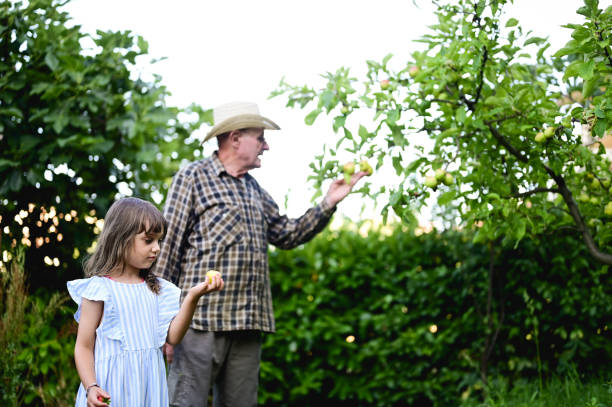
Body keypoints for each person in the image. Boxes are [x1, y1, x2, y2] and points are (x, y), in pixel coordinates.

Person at [156, 101, 367, 407]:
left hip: (248, 323)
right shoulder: (192, 178)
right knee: (184, 403)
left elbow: (287, 233)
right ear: (235, 138)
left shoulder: (255, 191)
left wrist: (329, 202)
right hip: (199, 322)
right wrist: (162, 323)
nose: (266, 146)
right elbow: (169, 246)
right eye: (260, 137)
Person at [67, 197, 224, 406]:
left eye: (159, 241)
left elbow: (173, 337)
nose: (157, 248)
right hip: (110, 389)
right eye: (148, 240)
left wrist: (192, 297)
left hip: (149, 388)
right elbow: (84, 346)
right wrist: (91, 386)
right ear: (120, 239)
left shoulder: (157, 288)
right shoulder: (99, 290)